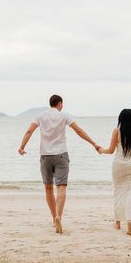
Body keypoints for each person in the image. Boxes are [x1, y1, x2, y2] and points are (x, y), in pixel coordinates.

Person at [18, 94, 100, 234]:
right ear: (60, 104)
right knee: (61, 187)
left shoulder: (40, 116)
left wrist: (22, 147)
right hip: (61, 155)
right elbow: (78, 130)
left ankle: (53, 217)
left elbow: (29, 130)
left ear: (50, 104)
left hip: (45, 156)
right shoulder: (64, 116)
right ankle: (58, 216)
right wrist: (94, 144)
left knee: (48, 188)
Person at [99, 109, 131, 236]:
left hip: (119, 165)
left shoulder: (117, 131)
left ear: (120, 119)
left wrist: (101, 150)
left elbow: (111, 150)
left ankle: (117, 222)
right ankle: (130, 220)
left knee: (118, 192)